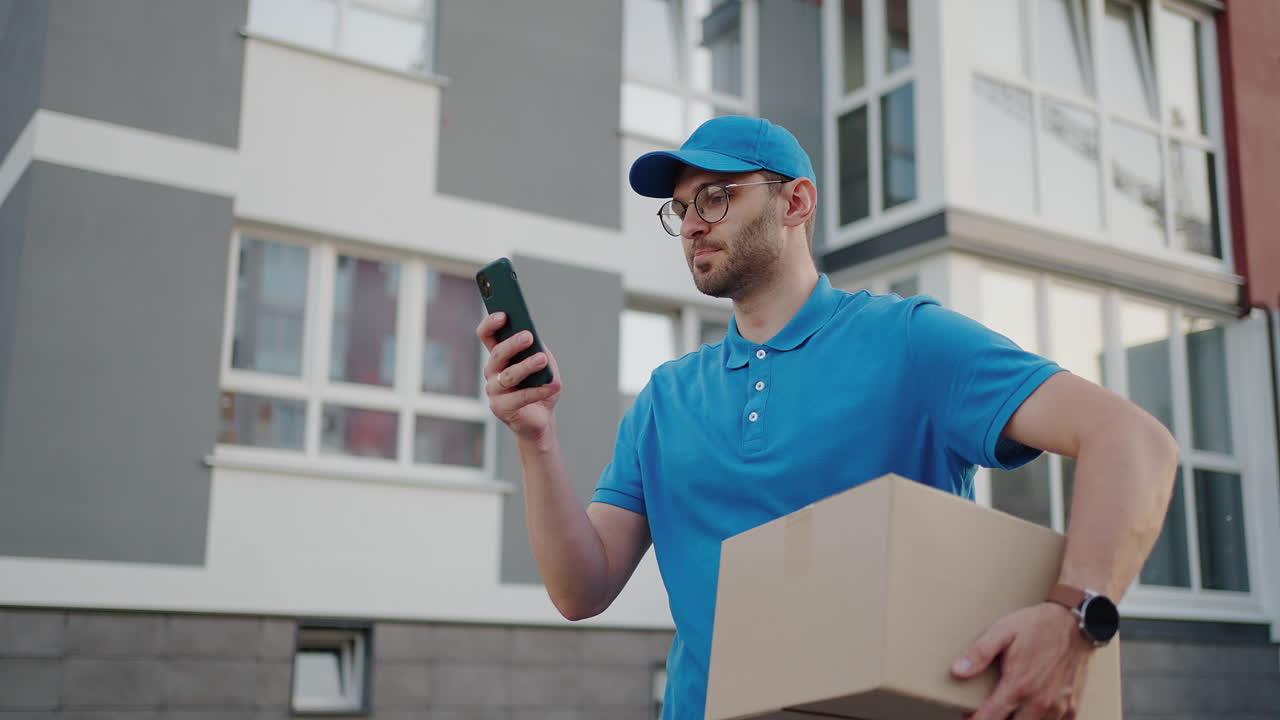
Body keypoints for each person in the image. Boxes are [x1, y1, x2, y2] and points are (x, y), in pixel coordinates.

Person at [476, 115, 1178, 720]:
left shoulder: (910, 342)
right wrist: (535, 441)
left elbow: (1133, 440)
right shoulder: (665, 397)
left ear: (797, 202)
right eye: (681, 208)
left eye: (715, 198)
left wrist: (1073, 618)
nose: (690, 224)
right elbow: (580, 590)